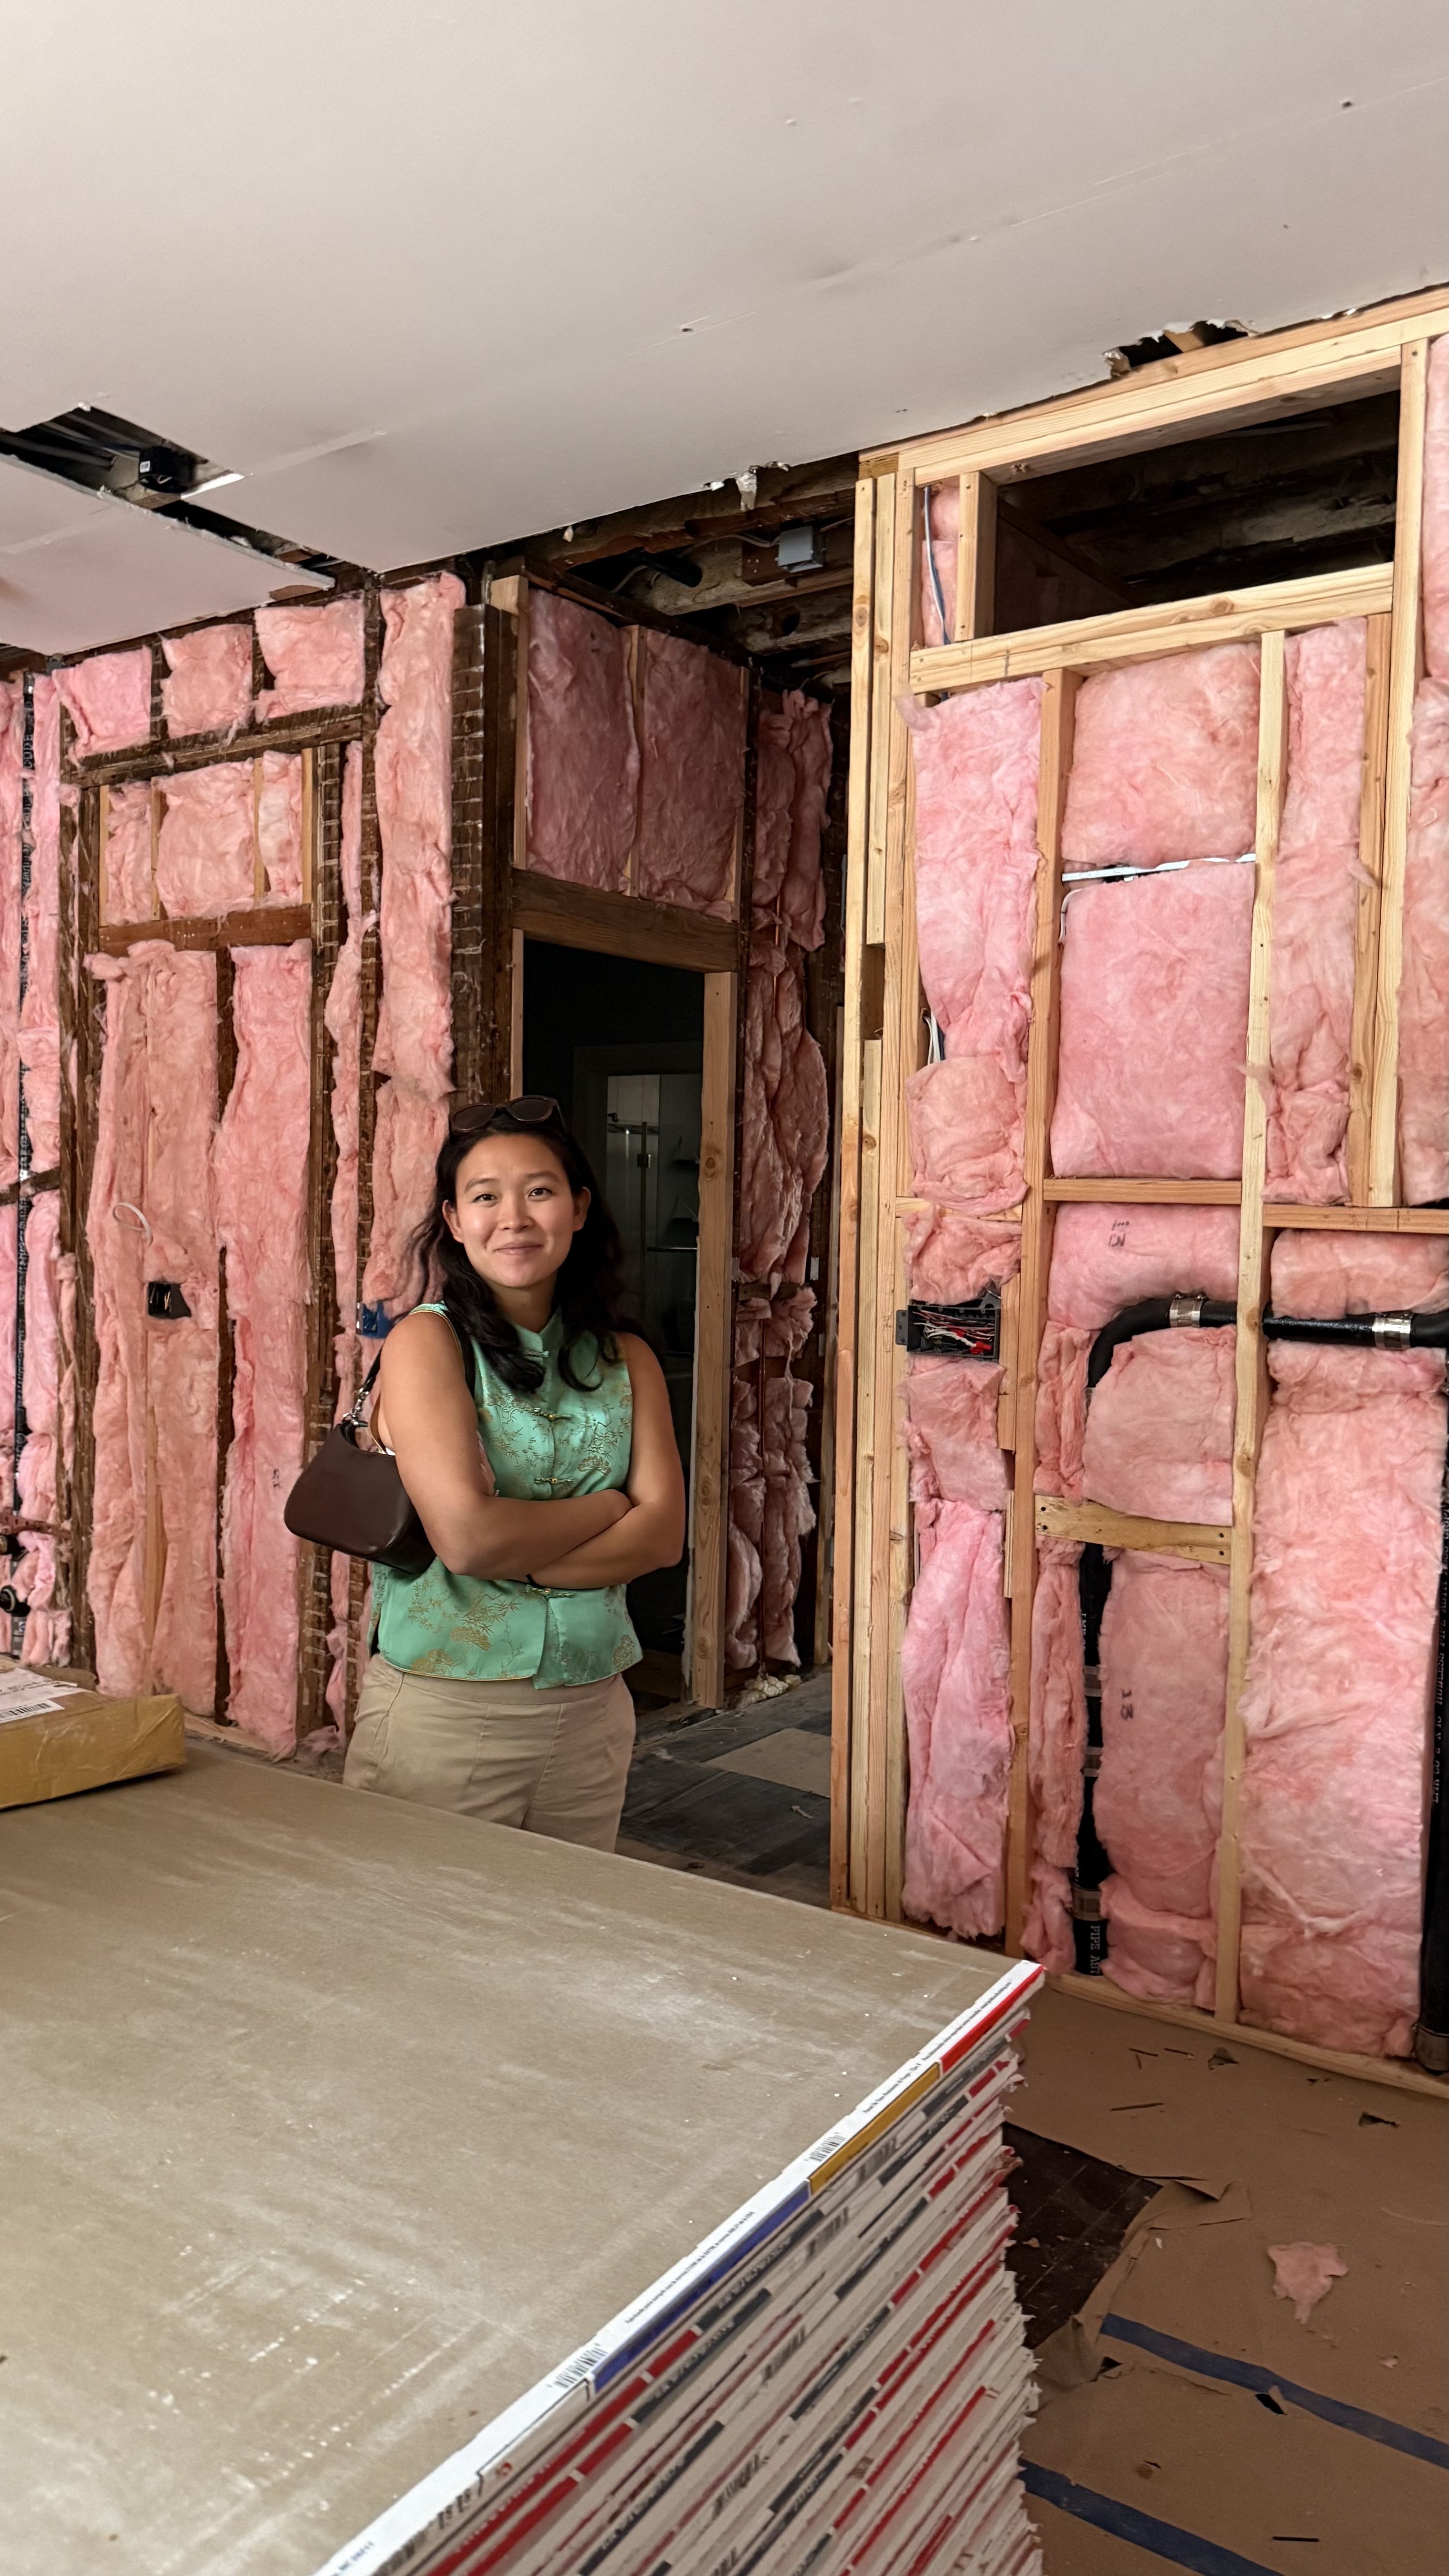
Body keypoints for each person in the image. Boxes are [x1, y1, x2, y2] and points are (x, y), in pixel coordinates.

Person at [343, 1094, 686, 1850]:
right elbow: (468, 1541)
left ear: (579, 1207)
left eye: (539, 1191)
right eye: (485, 1197)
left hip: (595, 1705)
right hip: (451, 1710)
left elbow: (662, 1538)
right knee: (417, 1946)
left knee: (560, 1944)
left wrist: (531, 1561)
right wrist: (609, 1507)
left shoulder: (626, 1357)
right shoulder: (426, 1346)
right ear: (455, 1220)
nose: (515, 1218)